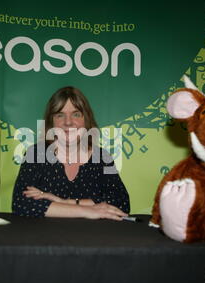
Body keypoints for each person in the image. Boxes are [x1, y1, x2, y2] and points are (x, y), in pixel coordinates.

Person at [12, 86, 130, 221]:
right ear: (52, 122)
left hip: (93, 239)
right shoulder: (36, 154)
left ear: (86, 119)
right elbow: (21, 203)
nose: (68, 122)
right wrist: (88, 211)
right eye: (60, 115)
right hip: (45, 239)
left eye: (76, 114)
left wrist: (63, 202)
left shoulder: (102, 157)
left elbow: (121, 202)